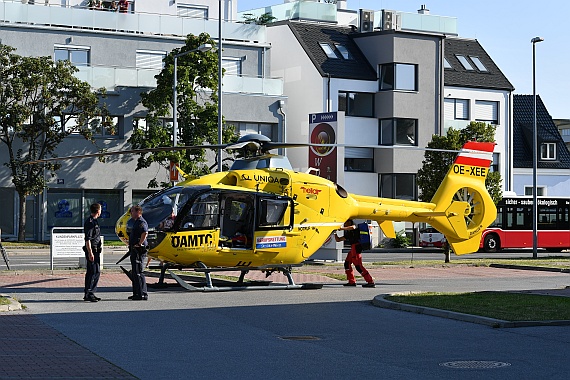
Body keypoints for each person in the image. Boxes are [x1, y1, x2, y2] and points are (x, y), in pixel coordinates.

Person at [334, 219, 375, 287]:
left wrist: (341, 228)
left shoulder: (355, 228)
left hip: (356, 248)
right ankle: (351, 281)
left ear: (349, 222)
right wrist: (335, 233)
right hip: (353, 249)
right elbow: (338, 240)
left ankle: (370, 281)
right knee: (347, 264)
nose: (344, 224)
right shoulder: (348, 233)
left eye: (346, 223)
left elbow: (353, 227)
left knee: (358, 266)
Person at [128, 205, 149, 300]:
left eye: (132, 211)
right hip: (134, 249)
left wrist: (140, 243)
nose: (131, 213)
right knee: (135, 272)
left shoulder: (141, 222)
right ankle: (136, 293)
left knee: (138, 272)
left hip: (138, 250)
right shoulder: (136, 222)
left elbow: (145, 232)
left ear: (138, 212)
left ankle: (142, 293)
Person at [83, 203, 102, 302]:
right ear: (98, 211)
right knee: (94, 272)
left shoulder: (95, 221)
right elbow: (88, 239)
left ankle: (89, 292)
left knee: (94, 271)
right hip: (93, 250)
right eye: (100, 209)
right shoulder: (90, 222)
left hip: (96, 250)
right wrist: (90, 252)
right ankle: (89, 293)